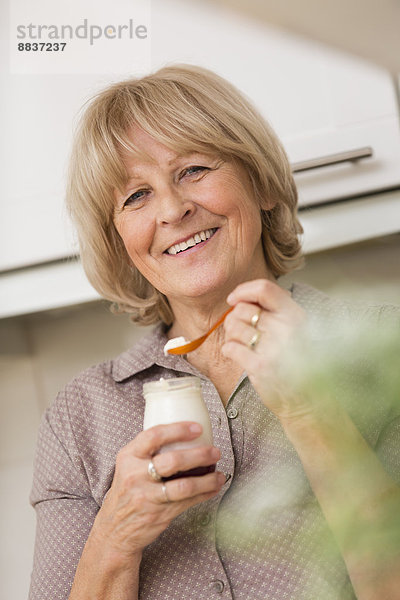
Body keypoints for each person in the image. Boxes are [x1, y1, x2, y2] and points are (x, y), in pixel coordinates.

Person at [29, 64, 400, 600]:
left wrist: (310, 410)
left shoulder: (383, 350)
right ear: (120, 242)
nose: (173, 210)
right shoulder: (78, 419)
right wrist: (116, 534)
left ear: (262, 185)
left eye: (194, 169)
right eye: (135, 196)